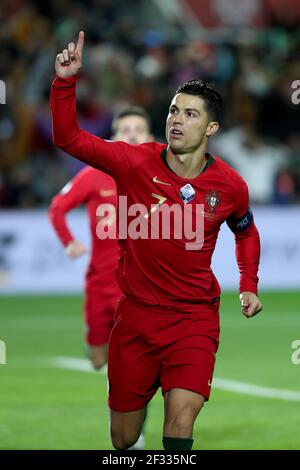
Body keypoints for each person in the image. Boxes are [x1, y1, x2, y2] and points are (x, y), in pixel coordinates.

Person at [51, 31, 262, 451]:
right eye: (172, 111)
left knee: (180, 425)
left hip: (194, 319)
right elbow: (69, 139)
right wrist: (64, 83)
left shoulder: (231, 186)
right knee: (124, 438)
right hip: (134, 320)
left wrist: (248, 284)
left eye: (190, 114)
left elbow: (246, 231)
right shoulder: (133, 162)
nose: (177, 120)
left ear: (212, 127)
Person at [48, 106, 153, 370]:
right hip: (101, 282)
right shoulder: (94, 174)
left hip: (140, 286)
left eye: (138, 130)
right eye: (125, 130)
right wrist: (68, 241)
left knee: (134, 359)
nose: (132, 136)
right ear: (113, 137)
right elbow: (58, 207)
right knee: (98, 360)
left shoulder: (160, 176)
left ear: (149, 136)